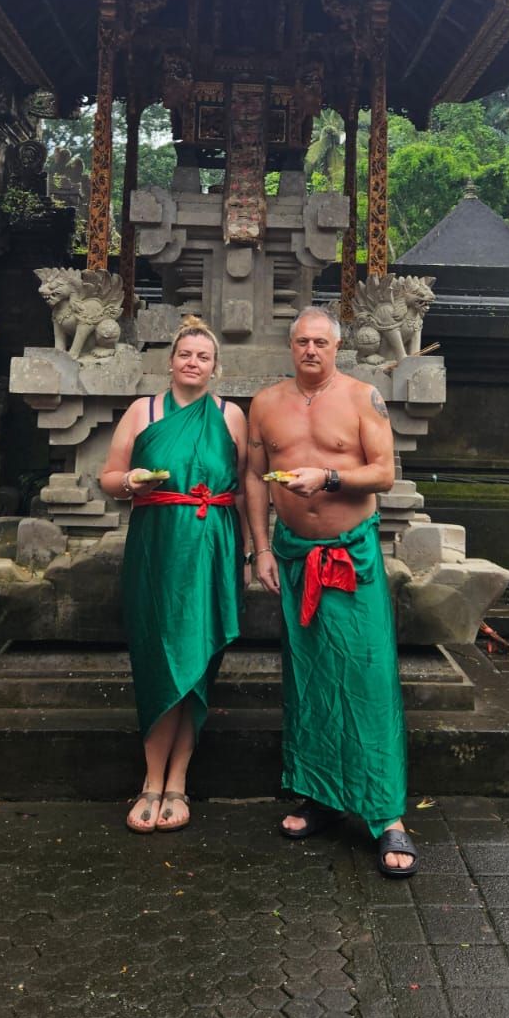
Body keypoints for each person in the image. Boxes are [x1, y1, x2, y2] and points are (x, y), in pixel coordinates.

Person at [245, 307, 416, 877]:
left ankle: (386, 814)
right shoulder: (266, 404)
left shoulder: (363, 397)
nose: (310, 350)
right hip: (294, 556)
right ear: (290, 346)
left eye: (320, 342)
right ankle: (320, 794)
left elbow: (385, 472)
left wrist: (330, 477)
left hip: (351, 557)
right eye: (302, 342)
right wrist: (261, 548)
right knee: (310, 673)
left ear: (336, 347)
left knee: (366, 676)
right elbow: (252, 476)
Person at [100, 316, 250, 834]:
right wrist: (132, 483)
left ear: (215, 367)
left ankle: (178, 780)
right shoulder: (144, 411)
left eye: (202, 357)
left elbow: (248, 485)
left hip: (212, 546)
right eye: (185, 354)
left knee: (197, 659)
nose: (192, 362)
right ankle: (150, 780)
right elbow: (109, 476)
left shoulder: (232, 416)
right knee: (156, 656)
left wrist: (257, 550)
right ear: (170, 361)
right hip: (156, 547)